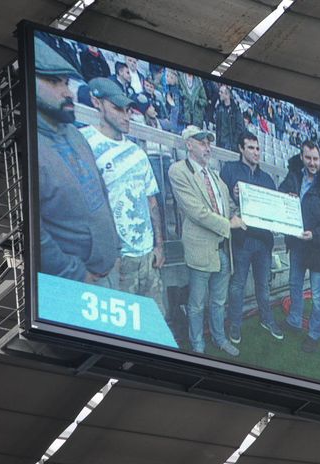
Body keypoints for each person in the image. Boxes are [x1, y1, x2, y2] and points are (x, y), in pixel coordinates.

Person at [35, 39, 119, 287]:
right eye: (53, 82)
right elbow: (32, 231)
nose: (68, 92)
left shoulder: (74, 132)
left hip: (108, 270)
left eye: (67, 83)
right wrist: (74, 273)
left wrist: (115, 244)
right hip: (74, 282)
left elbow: (101, 193)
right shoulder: (30, 145)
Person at [80, 78, 167, 315]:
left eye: (128, 110)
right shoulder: (84, 143)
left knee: (154, 322)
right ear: (96, 103)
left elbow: (151, 201)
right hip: (115, 261)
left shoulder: (138, 153)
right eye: (118, 109)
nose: (126, 116)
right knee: (122, 333)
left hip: (147, 256)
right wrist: (104, 255)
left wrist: (158, 246)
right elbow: (81, 207)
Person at [168, 125, 246, 356]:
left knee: (219, 302)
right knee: (196, 304)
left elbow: (229, 208)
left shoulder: (215, 177)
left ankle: (219, 338)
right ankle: (198, 345)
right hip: (201, 249)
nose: (207, 147)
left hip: (223, 249)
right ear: (189, 144)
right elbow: (196, 211)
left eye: (209, 143)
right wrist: (228, 224)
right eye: (202, 142)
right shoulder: (178, 171)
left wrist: (243, 205)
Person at [279, 141, 320, 352]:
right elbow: (280, 198)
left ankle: (314, 333)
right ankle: (294, 320)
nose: (312, 163)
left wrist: (314, 235)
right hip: (297, 244)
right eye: (308, 158)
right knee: (294, 285)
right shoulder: (294, 176)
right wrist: (285, 197)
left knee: (317, 294)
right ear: (302, 157)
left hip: (319, 249)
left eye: (316, 159)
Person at [220, 131, 283, 344]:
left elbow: (274, 210)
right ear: (241, 148)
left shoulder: (266, 178)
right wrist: (233, 194)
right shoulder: (229, 170)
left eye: (258, 148)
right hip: (241, 239)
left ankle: (267, 319)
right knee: (237, 284)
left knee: (263, 285)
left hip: (263, 241)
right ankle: (235, 325)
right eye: (251, 148)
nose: (256, 152)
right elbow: (220, 200)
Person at [215, 84, 245, 152]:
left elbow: (240, 128)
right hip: (221, 143)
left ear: (227, 95)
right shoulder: (219, 108)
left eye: (221, 92)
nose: (219, 94)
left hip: (231, 145)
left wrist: (234, 143)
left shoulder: (236, 110)